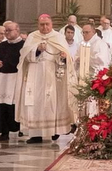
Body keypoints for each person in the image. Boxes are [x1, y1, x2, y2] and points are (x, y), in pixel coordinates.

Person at [20, 13, 73, 142]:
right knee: (35, 102)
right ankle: (36, 134)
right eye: (42, 25)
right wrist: (37, 50)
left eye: (47, 24)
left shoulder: (58, 37)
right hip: (35, 73)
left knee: (52, 101)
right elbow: (24, 56)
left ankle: (54, 130)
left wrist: (63, 57)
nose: (44, 27)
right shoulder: (33, 37)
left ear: (51, 25)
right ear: (38, 25)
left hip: (52, 73)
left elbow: (67, 57)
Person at [0, 20, 25, 137]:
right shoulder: (2, 45)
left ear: (17, 30)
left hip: (17, 79)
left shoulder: (23, 45)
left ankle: (20, 129)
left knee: (16, 105)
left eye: (9, 31)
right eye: (5, 31)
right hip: (3, 80)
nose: (7, 33)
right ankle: (4, 132)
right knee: (2, 105)